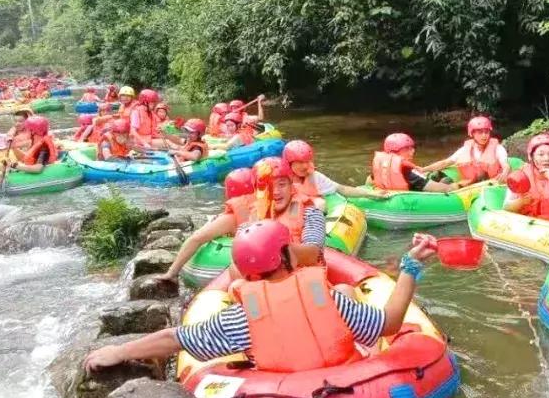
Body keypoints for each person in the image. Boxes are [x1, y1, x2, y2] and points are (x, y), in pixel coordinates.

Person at [84, 223, 439, 373]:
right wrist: (410, 266)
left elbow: (174, 339)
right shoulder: (328, 297)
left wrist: (119, 351)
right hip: (355, 387)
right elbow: (390, 323)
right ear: (285, 256)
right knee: (347, 293)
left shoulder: (240, 318)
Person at [163, 157, 326, 281]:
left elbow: (314, 254)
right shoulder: (250, 215)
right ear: (259, 191)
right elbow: (235, 268)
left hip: (299, 279)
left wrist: (277, 249)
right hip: (260, 287)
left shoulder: (310, 212)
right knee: (236, 286)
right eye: (268, 187)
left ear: (292, 186)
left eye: (282, 184)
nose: (275, 192)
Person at [503, 133, 549, 222]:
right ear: (531, 157)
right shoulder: (520, 176)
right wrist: (521, 201)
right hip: (525, 223)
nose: (546, 159)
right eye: (541, 154)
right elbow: (506, 208)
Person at [282, 140, 387, 201]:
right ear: (289, 163)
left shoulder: (315, 177)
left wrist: (371, 194)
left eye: (307, 161)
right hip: (287, 219)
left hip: (310, 217)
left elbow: (341, 189)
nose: (305, 166)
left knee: (320, 204)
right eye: (300, 162)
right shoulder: (279, 179)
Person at [421, 116, 510, 186]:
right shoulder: (465, 149)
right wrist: (423, 169)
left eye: (486, 132)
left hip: (490, 183)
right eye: (480, 132)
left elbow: (505, 165)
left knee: (446, 182)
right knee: (443, 179)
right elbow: (446, 162)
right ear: (472, 134)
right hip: (471, 184)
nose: (484, 135)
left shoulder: (498, 148)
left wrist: (505, 171)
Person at [371, 133, 459, 193]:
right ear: (395, 152)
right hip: (412, 203)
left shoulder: (381, 167)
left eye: (412, 148)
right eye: (407, 149)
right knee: (447, 180)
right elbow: (445, 189)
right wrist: (458, 185)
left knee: (436, 175)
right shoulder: (410, 172)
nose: (412, 151)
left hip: (391, 199)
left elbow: (370, 182)